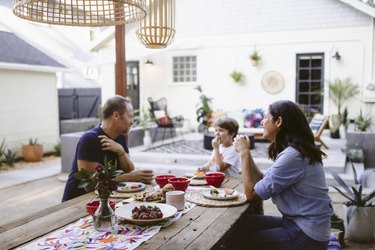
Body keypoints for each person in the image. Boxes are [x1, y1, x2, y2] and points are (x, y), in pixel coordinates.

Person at [230, 100, 333, 250]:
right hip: (298, 224)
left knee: (242, 239)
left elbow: (251, 194)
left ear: (278, 121)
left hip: (307, 234)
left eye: (266, 117)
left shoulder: (293, 156)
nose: (262, 122)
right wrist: (248, 153)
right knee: (239, 224)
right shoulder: (294, 151)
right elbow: (263, 181)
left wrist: (244, 153)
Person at [62, 95, 154, 202]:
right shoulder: (89, 139)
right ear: (116, 115)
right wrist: (129, 177)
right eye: (130, 116)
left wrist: (121, 151)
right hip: (77, 202)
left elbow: (129, 169)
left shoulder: (120, 138)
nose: (132, 122)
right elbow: (91, 183)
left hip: (104, 199)